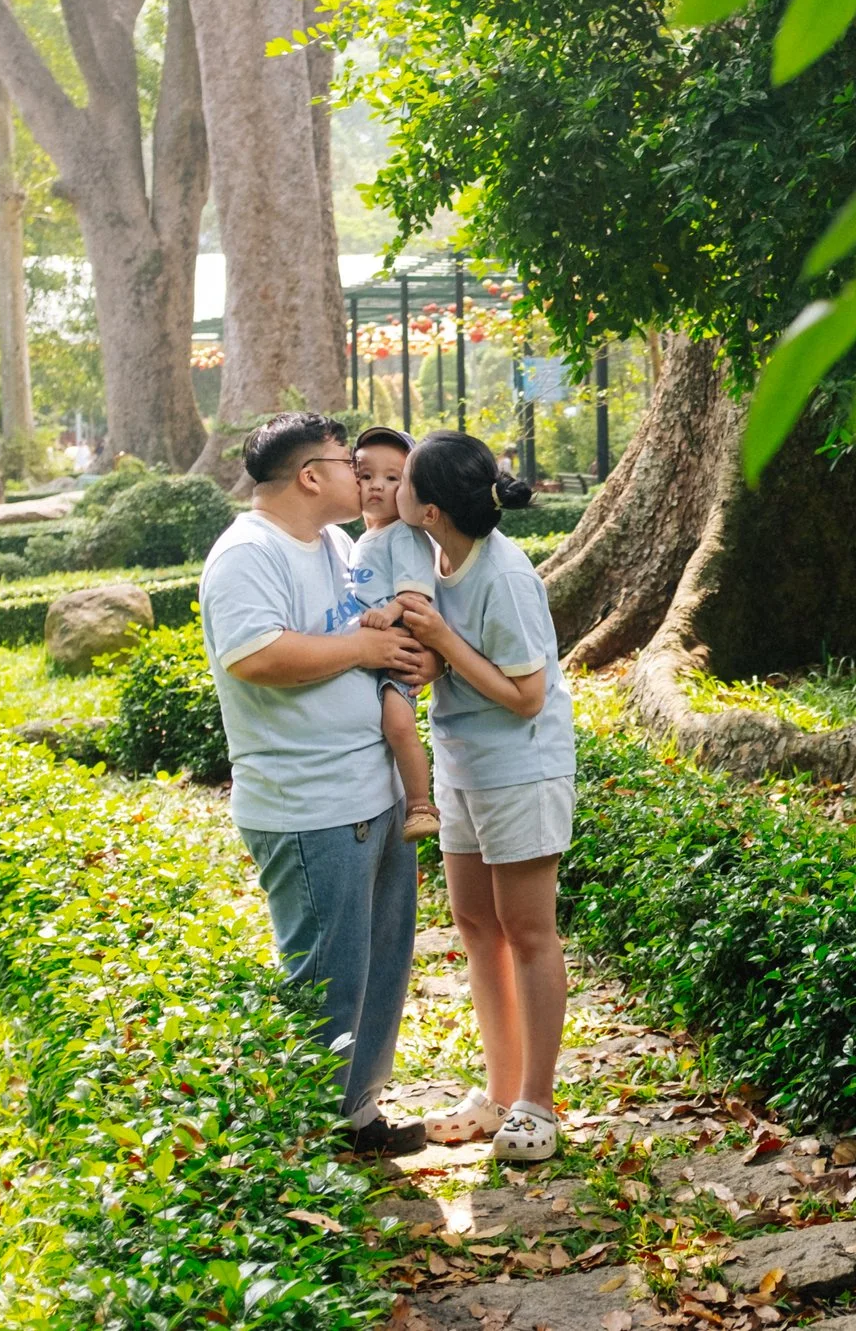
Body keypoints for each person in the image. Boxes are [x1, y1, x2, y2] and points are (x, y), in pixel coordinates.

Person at [197, 411, 437, 1156]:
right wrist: (363, 644)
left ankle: (357, 1116)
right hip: (311, 804)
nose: (359, 475)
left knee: (378, 964)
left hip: (374, 788)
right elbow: (257, 654)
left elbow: (366, 630)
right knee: (324, 978)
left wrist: (402, 655)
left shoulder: (333, 543)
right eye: (347, 461)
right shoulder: (247, 553)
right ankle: (306, 1143)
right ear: (310, 475)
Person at [394, 429, 577, 1163]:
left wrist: (442, 636)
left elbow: (527, 696)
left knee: (528, 929)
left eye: (401, 480)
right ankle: (499, 1092)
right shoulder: (432, 557)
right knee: (476, 923)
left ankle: (538, 1102)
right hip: (463, 763)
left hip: (522, 765)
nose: (390, 488)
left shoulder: (504, 577)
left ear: (431, 508)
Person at [348, 425, 441, 841]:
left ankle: (420, 804)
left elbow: (416, 593)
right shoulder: (364, 537)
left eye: (392, 478)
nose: (376, 487)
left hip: (399, 640)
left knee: (398, 721)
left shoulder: (404, 534)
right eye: (365, 476)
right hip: (372, 643)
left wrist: (389, 612)